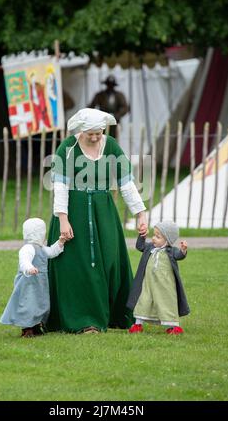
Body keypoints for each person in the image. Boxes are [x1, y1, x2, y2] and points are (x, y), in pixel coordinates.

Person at [47, 108, 148, 334]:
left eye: (98, 132)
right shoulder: (68, 148)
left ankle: (114, 315)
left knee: (110, 260)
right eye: (90, 133)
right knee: (80, 265)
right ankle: (85, 320)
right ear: (81, 130)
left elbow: (126, 182)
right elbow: (60, 186)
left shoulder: (110, 145)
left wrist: (140, 213)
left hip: (104, 212)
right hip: (75, 212)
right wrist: (63, 219)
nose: (94, 137)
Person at [0, 218, 68, 337]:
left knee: (40, 303)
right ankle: (27, 329)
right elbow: (24, 260)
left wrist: (60, 242)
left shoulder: (41, 249)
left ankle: (36, 326)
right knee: (28, 304)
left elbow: (52, 252)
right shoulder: (28, 248)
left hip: (40, 284)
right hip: (28, 283)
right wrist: (29, 268)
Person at [127, 221, 190, 335]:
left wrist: (183, 250)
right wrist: (142, 236)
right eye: (154, 235)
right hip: (148, 283)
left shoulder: (171, 251)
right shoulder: (150, 247)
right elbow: (140, 246)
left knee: (167, 303)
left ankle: (173, 326)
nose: (154, 238)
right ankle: (138, 324)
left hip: (165, 286)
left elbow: (179, 255)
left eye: (158, 236)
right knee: (143, 301)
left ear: (168, 240)